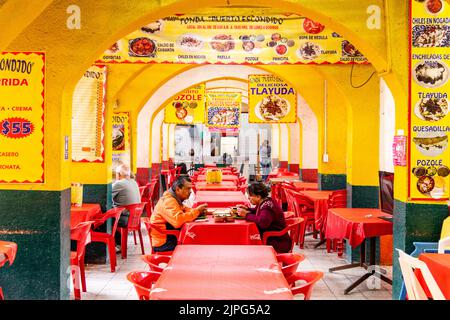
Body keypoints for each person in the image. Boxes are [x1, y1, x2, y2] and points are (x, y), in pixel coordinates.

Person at [150, 176, 208, 252]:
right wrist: (197, 212)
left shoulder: (174, 198)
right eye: (187, 188)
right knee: (195, 244)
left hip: (170, 237)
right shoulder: (169, 201)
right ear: (177, 189)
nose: (190, 192)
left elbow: (185, 210)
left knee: (197, 238)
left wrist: (199, 212)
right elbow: (178, 221)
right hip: (164, 243)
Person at [236, 182, 292, 253]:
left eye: (250, 196)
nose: (248, 198)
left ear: (258, 197)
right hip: (275, 238)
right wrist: (247, 209)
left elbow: (263, 222)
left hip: (276, 241)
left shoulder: (267, 207)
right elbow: (259, 212)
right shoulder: (266, 201)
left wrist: (246, 215)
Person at [112, 164, 141, 251]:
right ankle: (119, 244)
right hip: (135, 217)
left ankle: (115, 245)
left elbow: (106, 196)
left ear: (119, 174)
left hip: (127, 217)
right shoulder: (134, 182)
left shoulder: (119, 184)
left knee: (108, 220)